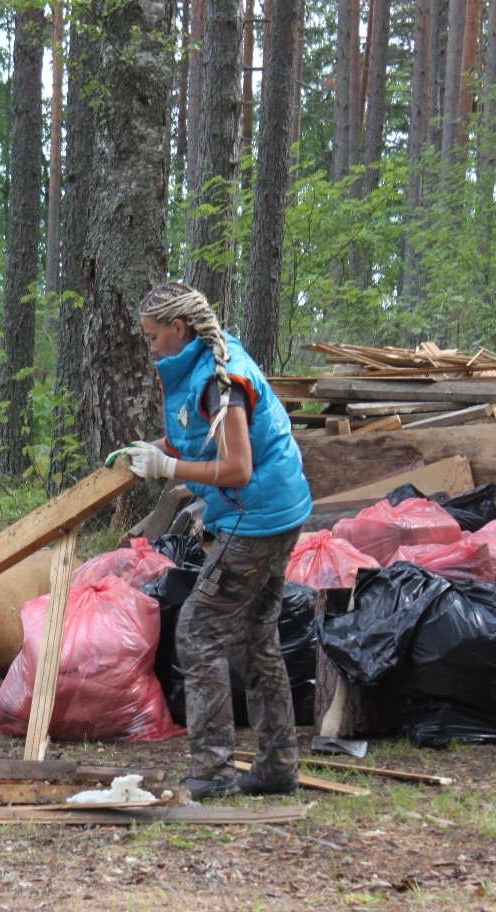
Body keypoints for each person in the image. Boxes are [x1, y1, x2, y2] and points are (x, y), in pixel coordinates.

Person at [109, 281, 313, 800]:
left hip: (258, 518)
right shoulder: (197, 370)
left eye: (154, 336)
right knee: (254, 638)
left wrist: (170, 468)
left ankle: (215, 772)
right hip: (271, 510)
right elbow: (200, 437)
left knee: (198, 632)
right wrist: (152, 451)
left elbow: (239, 466)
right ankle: (276, 766)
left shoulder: (219, 383)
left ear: (179, 330)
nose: (150, 346)